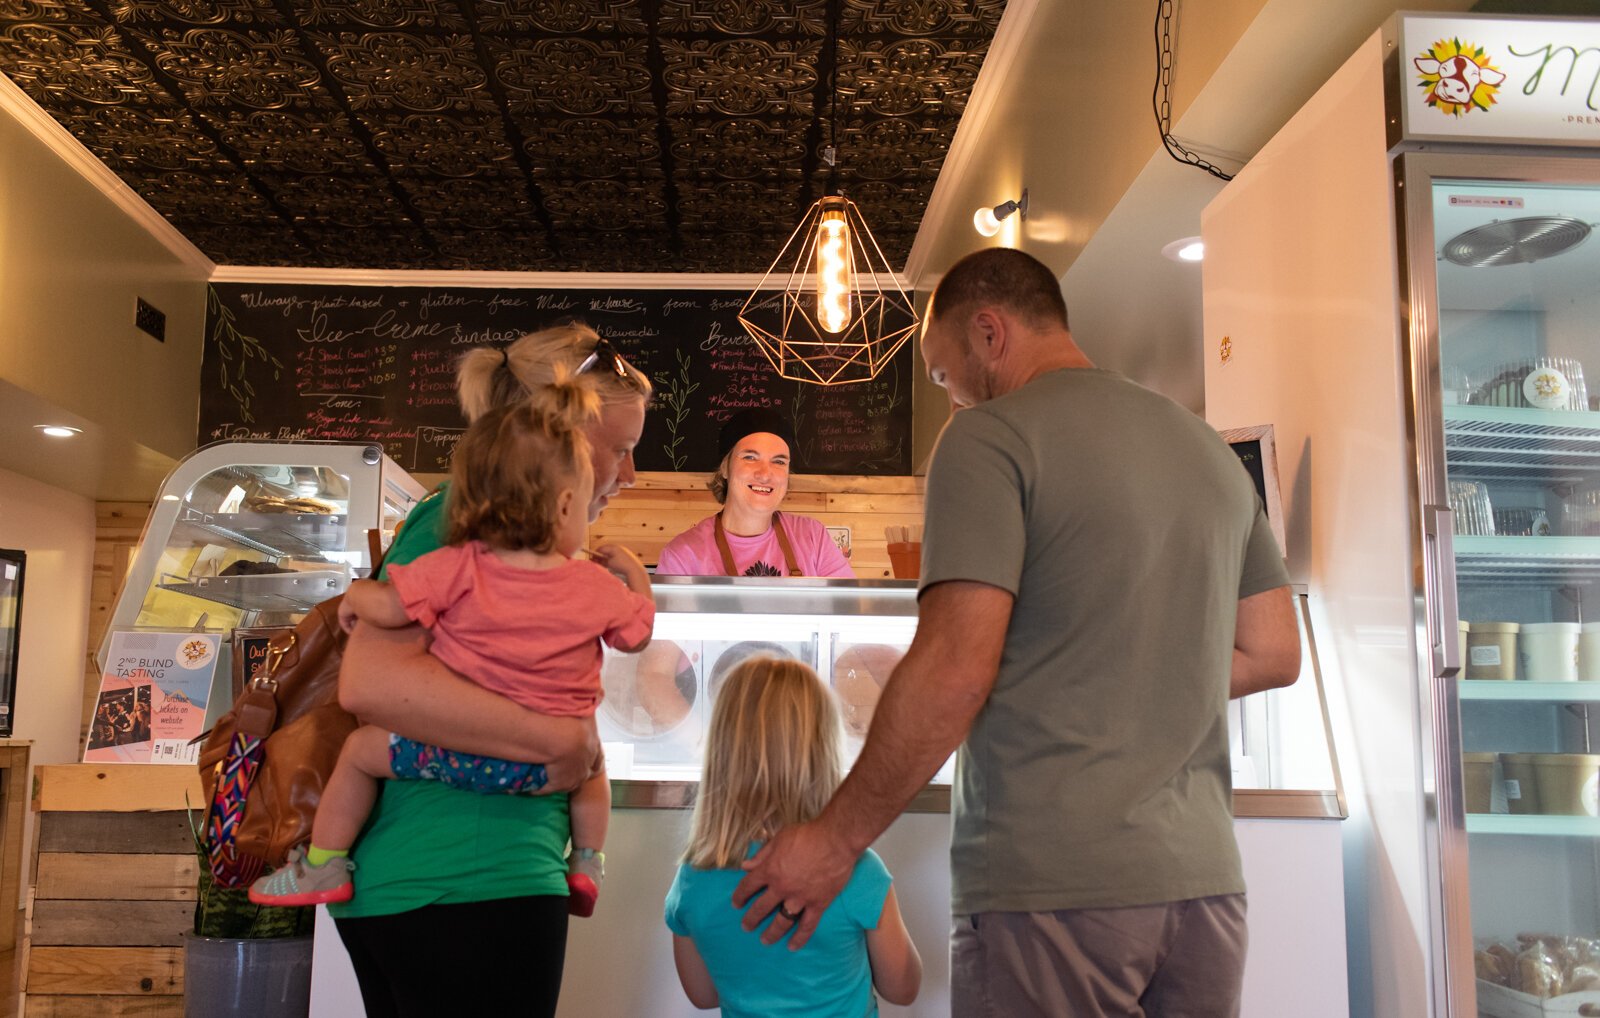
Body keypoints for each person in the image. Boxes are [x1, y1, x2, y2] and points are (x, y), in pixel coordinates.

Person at [732, 248, 1302, 1018]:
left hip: (1053, 886)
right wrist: (1111, 662)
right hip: (1205, 890)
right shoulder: (1208, 449)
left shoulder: (990, 439)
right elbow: (1274, 653)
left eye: (944, 374)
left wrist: (833, 843)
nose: (952, 398)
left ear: (989, 332)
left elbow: (955, 670)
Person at [330, 322, 653, 1018]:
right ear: (560, 434)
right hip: (461, 883)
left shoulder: (512, 538)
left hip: (461, 884)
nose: (629, 475)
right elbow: (370, 683)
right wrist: (558, 740)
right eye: (620, 450)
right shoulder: (463, 521)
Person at [248, 377, 654, 918]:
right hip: (517, 807)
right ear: (563, 503)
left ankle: (324, 862)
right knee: (593, 765)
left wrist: (357, 596)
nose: (627, 473)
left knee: (362, 752)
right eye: (621, 451)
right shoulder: (592, 584)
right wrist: (635, 576)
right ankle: (587, 860)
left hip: (449, 765)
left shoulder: (462, 564)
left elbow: (393, 607)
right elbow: (637, 635)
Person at [664, 656, 921, 1017]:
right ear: (824, 754)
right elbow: (903, 988)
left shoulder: (693, 878)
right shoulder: (853, 870)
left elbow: (703, 995)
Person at [655, 408, 853, 578]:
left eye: (779, 461)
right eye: (750, 457)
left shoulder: (813, 537)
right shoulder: (682, 555)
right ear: (724, 468)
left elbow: (847, 607)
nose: (765, 474)